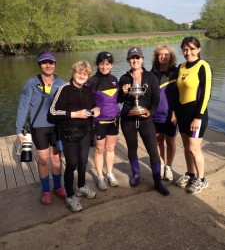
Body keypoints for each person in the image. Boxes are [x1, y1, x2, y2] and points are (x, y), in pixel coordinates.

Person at [49, 61, 100, 212]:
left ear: (88, 76)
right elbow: (52, 112)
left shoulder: (87, 90)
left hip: (85, 132)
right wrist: (74, 114)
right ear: (73, 73)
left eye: (85, 74)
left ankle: (81, 186)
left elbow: (92, 107)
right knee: (71, 164)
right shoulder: (64, 89)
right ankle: (70, 195)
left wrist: (96, 109)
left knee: (83, 162)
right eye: (79, 72)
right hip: (68, 132)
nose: (82, 76)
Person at [118, 46, 170, 196]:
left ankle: (158, 182)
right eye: (132, 58)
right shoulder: (124, 78)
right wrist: (123, 91)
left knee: (153, 151)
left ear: (142, 59)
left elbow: (156, 99)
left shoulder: (151, 77)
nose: (135, 60)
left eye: (137, 57)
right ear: (129, 60)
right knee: (132, 149)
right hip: (128, 119)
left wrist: (150, 113)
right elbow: (119, 100)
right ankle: (135, 175)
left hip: (146, 119)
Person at [16, 50, 66, 205]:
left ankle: (57, 187)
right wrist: (19, 129)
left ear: (55, 64)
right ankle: (46, 190)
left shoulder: (62, 83)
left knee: (56, 158)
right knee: (43, 160)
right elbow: (23, 106)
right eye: (44, 62)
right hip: (38, 127)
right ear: (39, 65)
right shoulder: (31, 83)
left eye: (51, 62)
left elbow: (68, 106)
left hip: (56, 127)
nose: (48, 65)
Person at [172, 36, 212, 194]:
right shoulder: (181, 67)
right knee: (187, 148)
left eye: (192, 49)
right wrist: (174, 111)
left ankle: (202, 179)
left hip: (196, 116)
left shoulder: (203, 66)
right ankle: (191, 174)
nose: (188, 52)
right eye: (185, 49)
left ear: (199, 49)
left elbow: (206, 94)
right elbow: (176, 92)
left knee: (195, 149)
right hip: (182, 115)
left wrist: (198, 117)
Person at [89, 52, 121, 190]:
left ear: (111, 65)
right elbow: (86, 100)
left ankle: (109, 173)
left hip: (113, 120)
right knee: (99, 149)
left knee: (110, 148)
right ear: (97, 65)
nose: (104, 66)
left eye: (107, 64)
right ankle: (100, 177)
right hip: (99, 122)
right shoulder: (92, 81)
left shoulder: (114, 79)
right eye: (101, 63)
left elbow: (117, 99)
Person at [151, 45, 178, 181]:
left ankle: (169, 166)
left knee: (171, 141)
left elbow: (179, 95)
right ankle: (161, 164)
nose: (163, 57)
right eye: (160, 54)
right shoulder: (152, 72)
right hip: (155, 114)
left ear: (171, 56)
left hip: (170, 114)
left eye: (166, 54)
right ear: (156, 56)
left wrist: (175, 112)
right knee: (158, 140)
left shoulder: (176, 72)